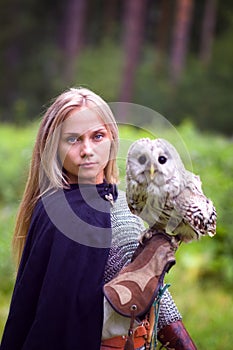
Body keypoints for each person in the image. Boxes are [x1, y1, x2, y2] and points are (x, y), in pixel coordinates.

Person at [0, 87, 197, 350]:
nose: (87, 150)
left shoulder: (126, 208)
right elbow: (48, 316)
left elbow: (158, 301)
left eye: (98, 136)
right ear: (53, 146)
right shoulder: (55, 213)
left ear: (112, 139)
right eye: (73, 139)